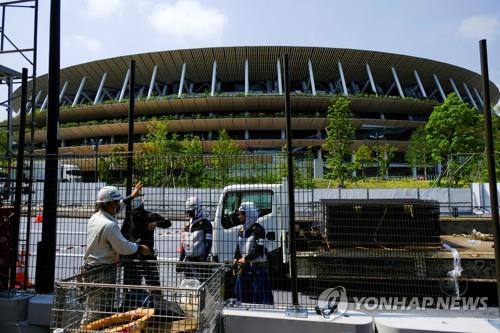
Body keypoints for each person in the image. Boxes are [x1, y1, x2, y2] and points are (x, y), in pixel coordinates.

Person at [82, 183, 151, 324]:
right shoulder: (109, 225)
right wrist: (139, 248)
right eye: (115, 203)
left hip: (93, 268)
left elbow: (119, 207)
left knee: (97, 307)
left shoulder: (95, 217)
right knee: (97, 311)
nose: (117, 205)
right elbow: (123, 247)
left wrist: (131, 196)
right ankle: (86, 329)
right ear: (109, 204)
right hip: (102, 272)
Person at [120, 195, 171, 307]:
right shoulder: (129, 218)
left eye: (137, 211)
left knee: (154, 286)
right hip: (132, 259)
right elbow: (122, 235)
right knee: (133, 288)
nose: (136, 214)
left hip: (147, 258)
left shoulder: (149, 216)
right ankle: (133, 309)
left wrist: (156, 223)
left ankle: (157, 307)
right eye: (134, 211)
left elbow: (168, 222)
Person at [233, 202, 273, 305]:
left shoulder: (259, 230)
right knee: (242, 299)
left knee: (258, 301)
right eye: (239, 213)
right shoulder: (241, 230)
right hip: (244, 268)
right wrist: (235, 258)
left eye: (241, 213)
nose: (239, 216)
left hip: (257, 270)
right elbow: (239, 247)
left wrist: (245, 259)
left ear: (249, 214)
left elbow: (258, 250)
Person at [178, 196, 213, 281]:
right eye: (188, 212)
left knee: (201, 286)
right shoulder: (187, 224)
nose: (189, 214)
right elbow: (183, 243)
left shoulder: (206, 223)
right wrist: (180, 260)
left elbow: (209, 243)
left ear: (198, 209)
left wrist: (204, 259)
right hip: (188, 262)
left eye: (191, 211)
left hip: (200, 261)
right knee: (187, 286)